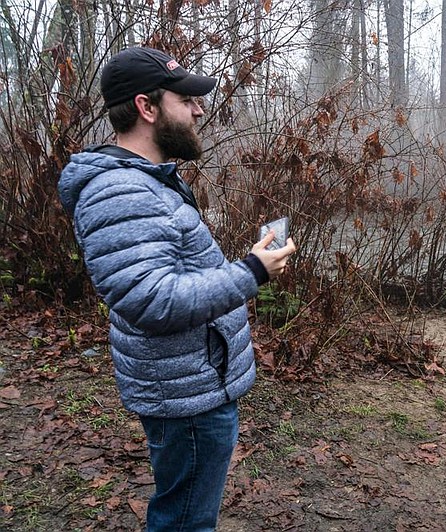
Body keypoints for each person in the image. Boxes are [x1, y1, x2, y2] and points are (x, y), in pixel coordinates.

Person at [57, 46, 296, 531]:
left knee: (185, 511)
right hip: (185, 395)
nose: (199, 108)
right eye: (185, 98)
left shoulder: (145, 183)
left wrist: (248, 264)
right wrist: (251, 271)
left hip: (191, 382)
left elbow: (167, 274)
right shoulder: (120, 190)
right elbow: (153, 300)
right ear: (147, 107)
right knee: (185, 521)